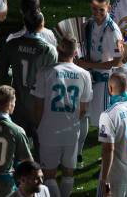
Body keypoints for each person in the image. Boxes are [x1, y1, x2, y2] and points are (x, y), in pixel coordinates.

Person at [32, 36, 93, 197]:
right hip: (71, 131)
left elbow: (38, 105)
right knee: (68, 172)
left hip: (48, 130)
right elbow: (84, 108)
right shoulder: (84, 74)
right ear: (75, 53)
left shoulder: (45, 72)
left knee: (49, 174)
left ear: (58, 49)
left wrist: (39, 126)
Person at [0, 10, 58, 144]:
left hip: (17, 100)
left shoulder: (12, 44)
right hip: (38, 102)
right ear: (42, 25)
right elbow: (52, 80)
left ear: (24, 23)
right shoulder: (48, 50)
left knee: (17, 141)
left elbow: (2, 73)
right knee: (39, 142)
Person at [77, 0, 124, 127]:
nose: (97, 13)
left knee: (102, 123)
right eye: (94, 9)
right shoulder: (89, 24)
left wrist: (87, 64)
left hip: (103, 82)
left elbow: (119, 61)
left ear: (109, 8)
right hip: (88, 77)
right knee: (84, 115)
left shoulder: (112, 31)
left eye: (101, 10)